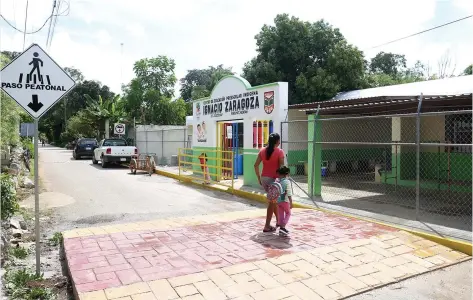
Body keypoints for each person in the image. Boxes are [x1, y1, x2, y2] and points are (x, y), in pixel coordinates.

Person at [254, 133, 285, 232]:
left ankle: (279, 221)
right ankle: (267, 226)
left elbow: (256, 165)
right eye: (279, 140)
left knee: (274, 201)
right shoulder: (280, 152)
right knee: (272, 202)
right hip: (275, 181)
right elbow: (281, 168)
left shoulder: (262, 151)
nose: (279, 142)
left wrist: (259, 178)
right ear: (277, 141)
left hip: (264, 179)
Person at [275, 166, 293, 236]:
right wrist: (291, 202)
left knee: (281, 214)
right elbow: (289, 193)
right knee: (288, 213)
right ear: (286, 174)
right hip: (285, 201)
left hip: (278, 201)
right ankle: (282, 227)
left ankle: (281, 228)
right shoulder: (287, 182)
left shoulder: (277, 181)